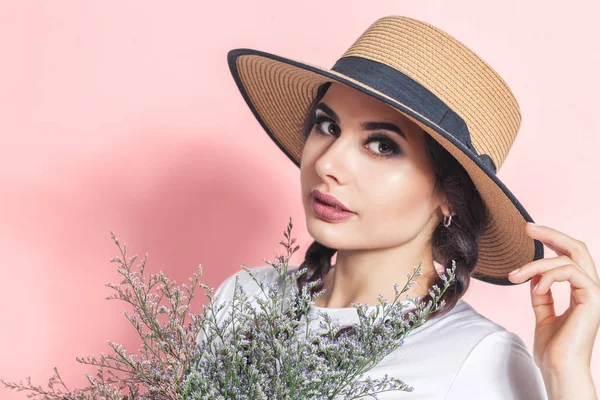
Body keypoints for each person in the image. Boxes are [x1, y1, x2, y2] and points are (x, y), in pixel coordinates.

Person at [198, 15, 600, 399]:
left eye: (382, 146)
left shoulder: (477, 359)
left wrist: (567, 377)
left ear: (450, 194)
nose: (327, 164)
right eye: (328, 126)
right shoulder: (242, 297)